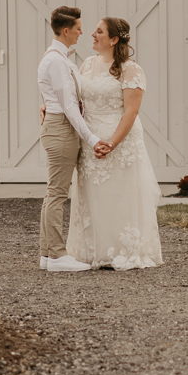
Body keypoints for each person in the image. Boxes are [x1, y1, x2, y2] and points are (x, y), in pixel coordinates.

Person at [66, 17, 163, 271]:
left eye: (99, 32)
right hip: (90, 139)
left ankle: (122, 251)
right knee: (93, 195)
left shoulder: (131, 70)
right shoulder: (87, 65)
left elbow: (131, 112)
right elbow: (74, 98)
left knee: (119, 195)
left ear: (114, 39)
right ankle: (92, 250)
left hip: (119, 140)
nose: (92, 35)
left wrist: (112, 142)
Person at [37, 6, 113, 273]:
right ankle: (57, 256)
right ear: (66, 30)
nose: (83, 32)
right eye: (79, 28)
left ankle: (48, 254)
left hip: (60, 126)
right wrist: (92, 140)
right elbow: (69, 106)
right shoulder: (56, 61)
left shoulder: (60, 59)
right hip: (61, 129)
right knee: (57, 193)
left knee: (53, 192)